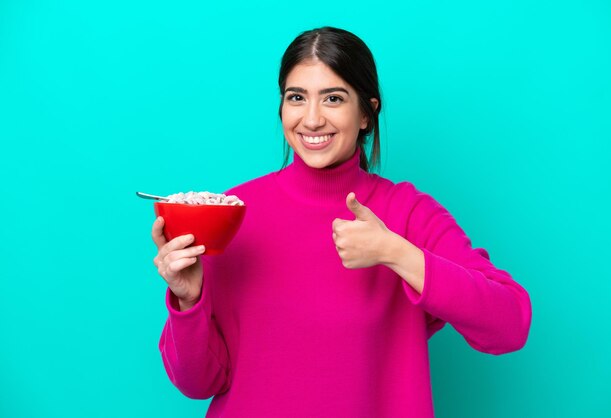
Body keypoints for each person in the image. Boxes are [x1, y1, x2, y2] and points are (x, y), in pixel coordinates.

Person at [151, 26, 532, 417]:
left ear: (366, 113)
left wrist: (396, 253)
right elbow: (198, 384)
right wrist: (188, 298)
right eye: (296, 98)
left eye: (333, 98)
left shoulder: (409, 212)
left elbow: (509, 324)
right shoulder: (233, 212)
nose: (312, 119)